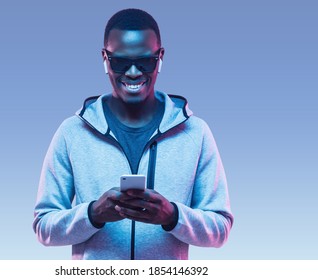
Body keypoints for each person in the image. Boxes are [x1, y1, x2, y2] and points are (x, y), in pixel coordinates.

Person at [33, 8, 233, 260]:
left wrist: (173, 216)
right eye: (120, 62)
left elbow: (220, 229)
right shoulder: (72, 133)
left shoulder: (196, 133)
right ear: (105, 58)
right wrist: (93, 214)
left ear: (160, 57)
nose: (133, 72)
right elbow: (44, 227)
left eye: (145, 61)